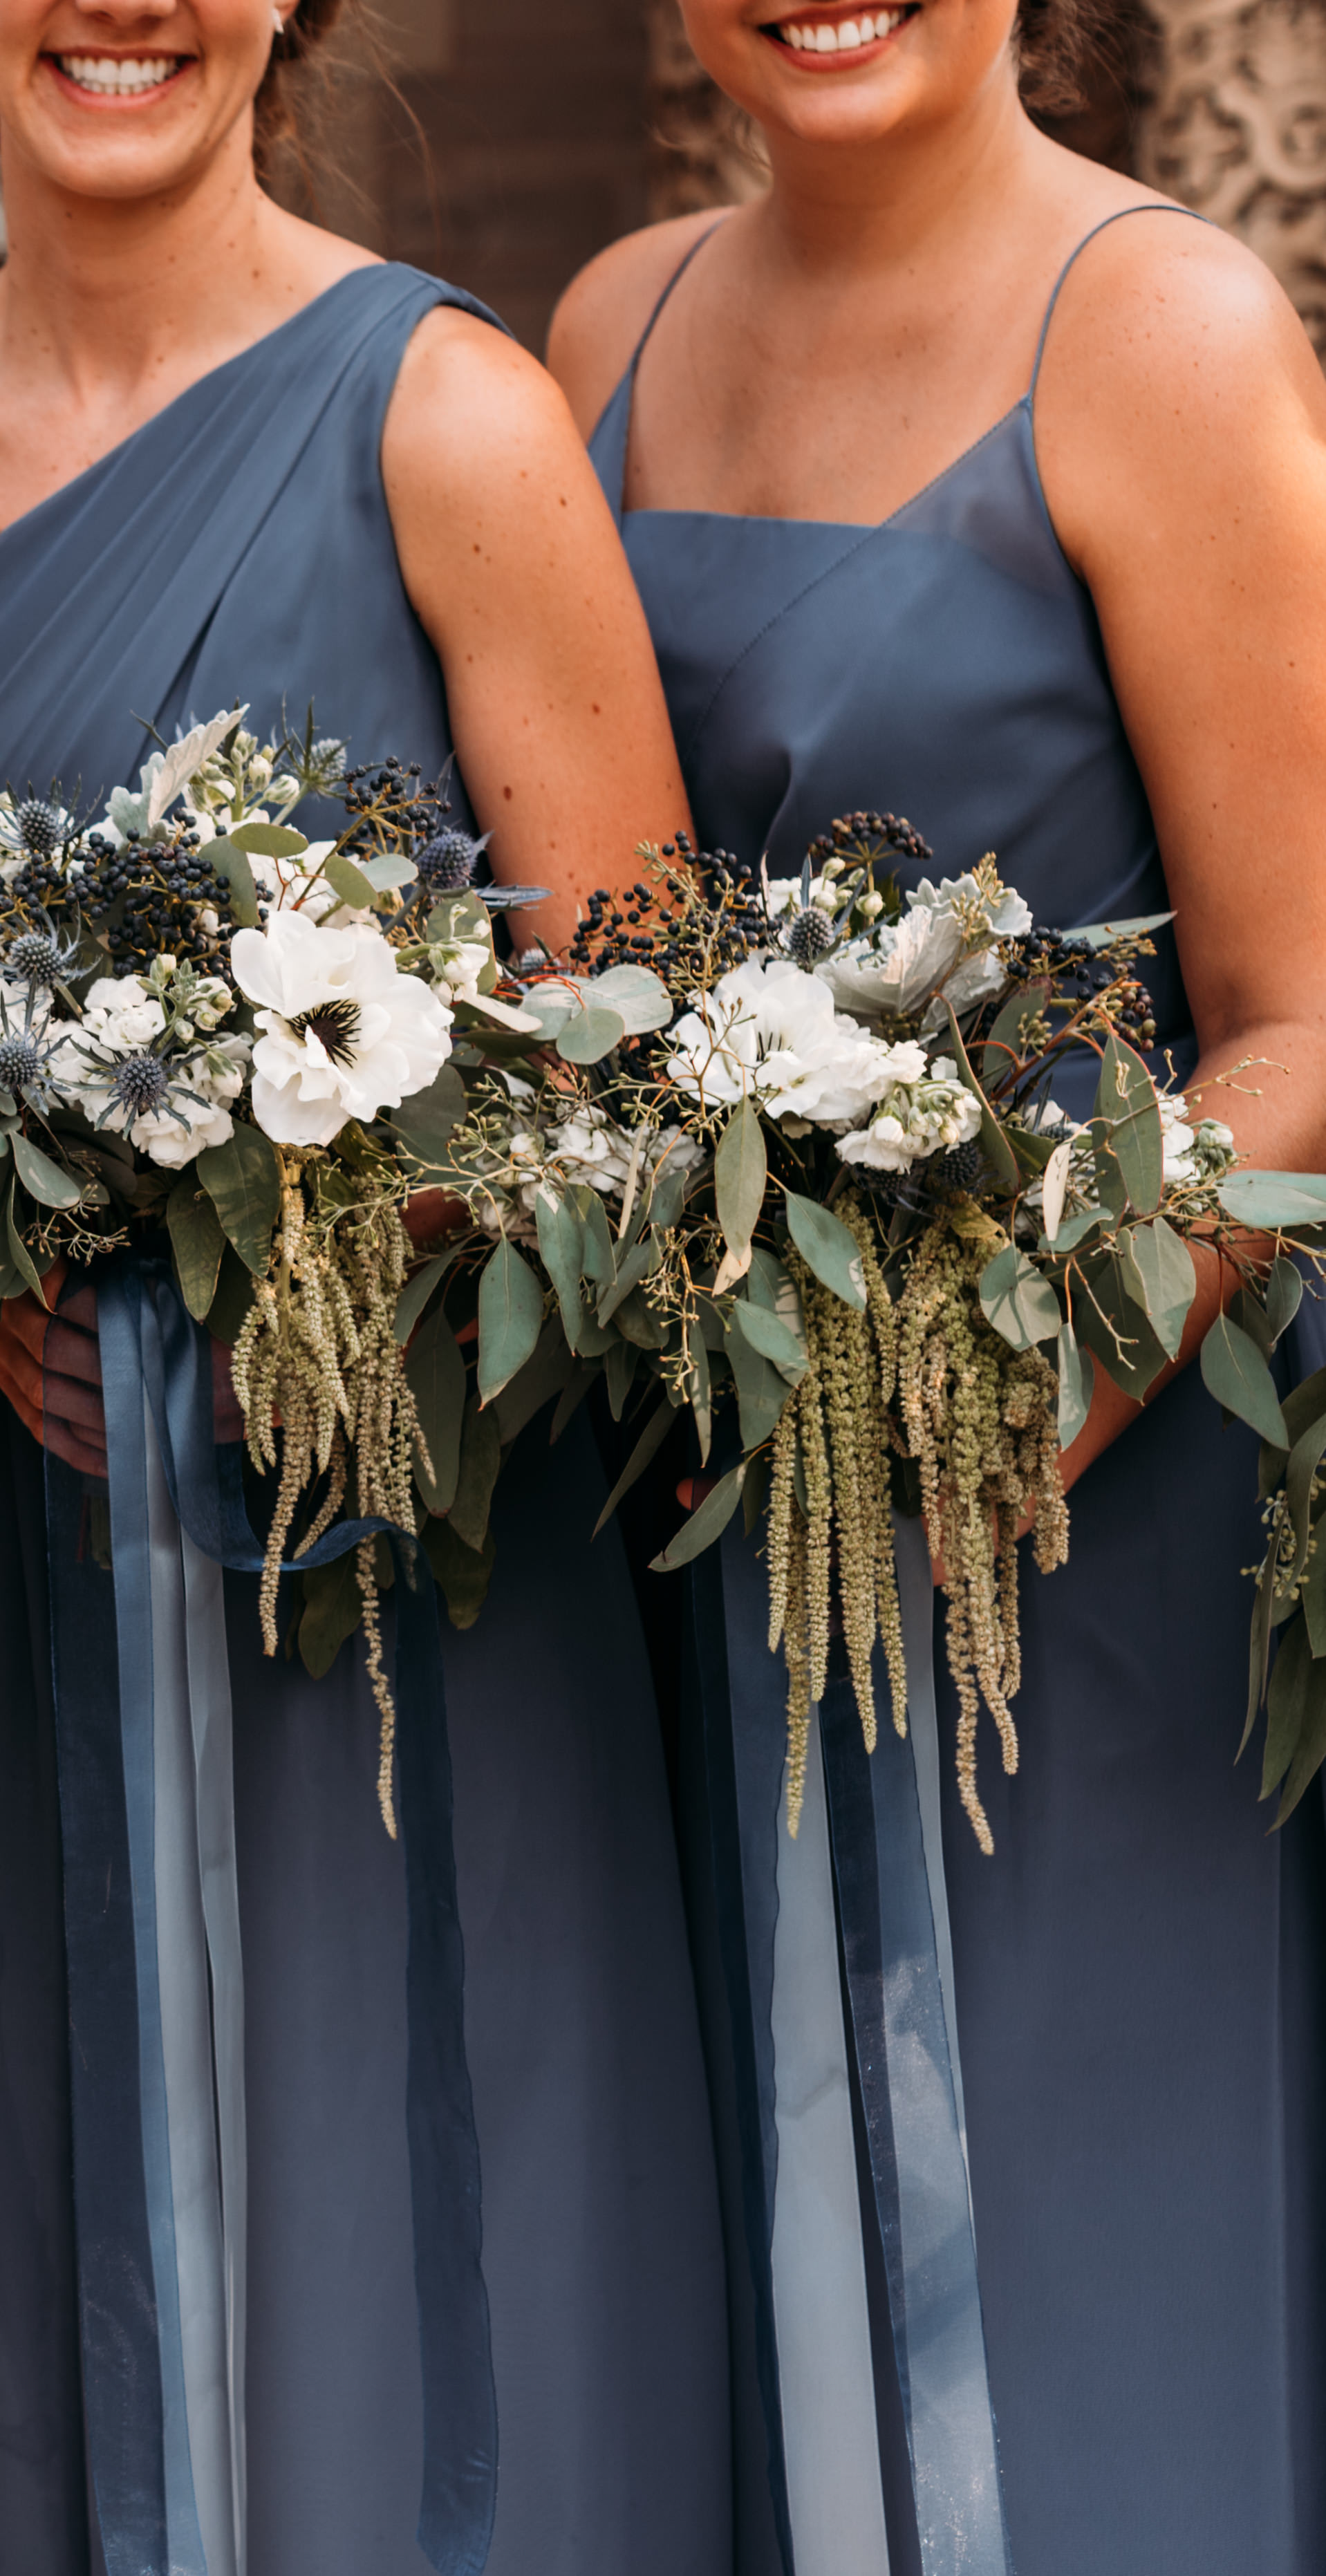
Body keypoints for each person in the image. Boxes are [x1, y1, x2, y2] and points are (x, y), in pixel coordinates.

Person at [0, 6, 731, 2572]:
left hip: (401, 1620)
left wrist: (333, 1258)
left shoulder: (449, 421)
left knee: (420, 2329)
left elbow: (650, 1068)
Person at [549, 1, 1326, 2563]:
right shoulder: (612, 321)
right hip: (693, 1493)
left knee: (1070, 2292)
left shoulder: (1164, 330)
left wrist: (1025, 1381)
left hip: (1075, 1516)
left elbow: (1311, 1014)